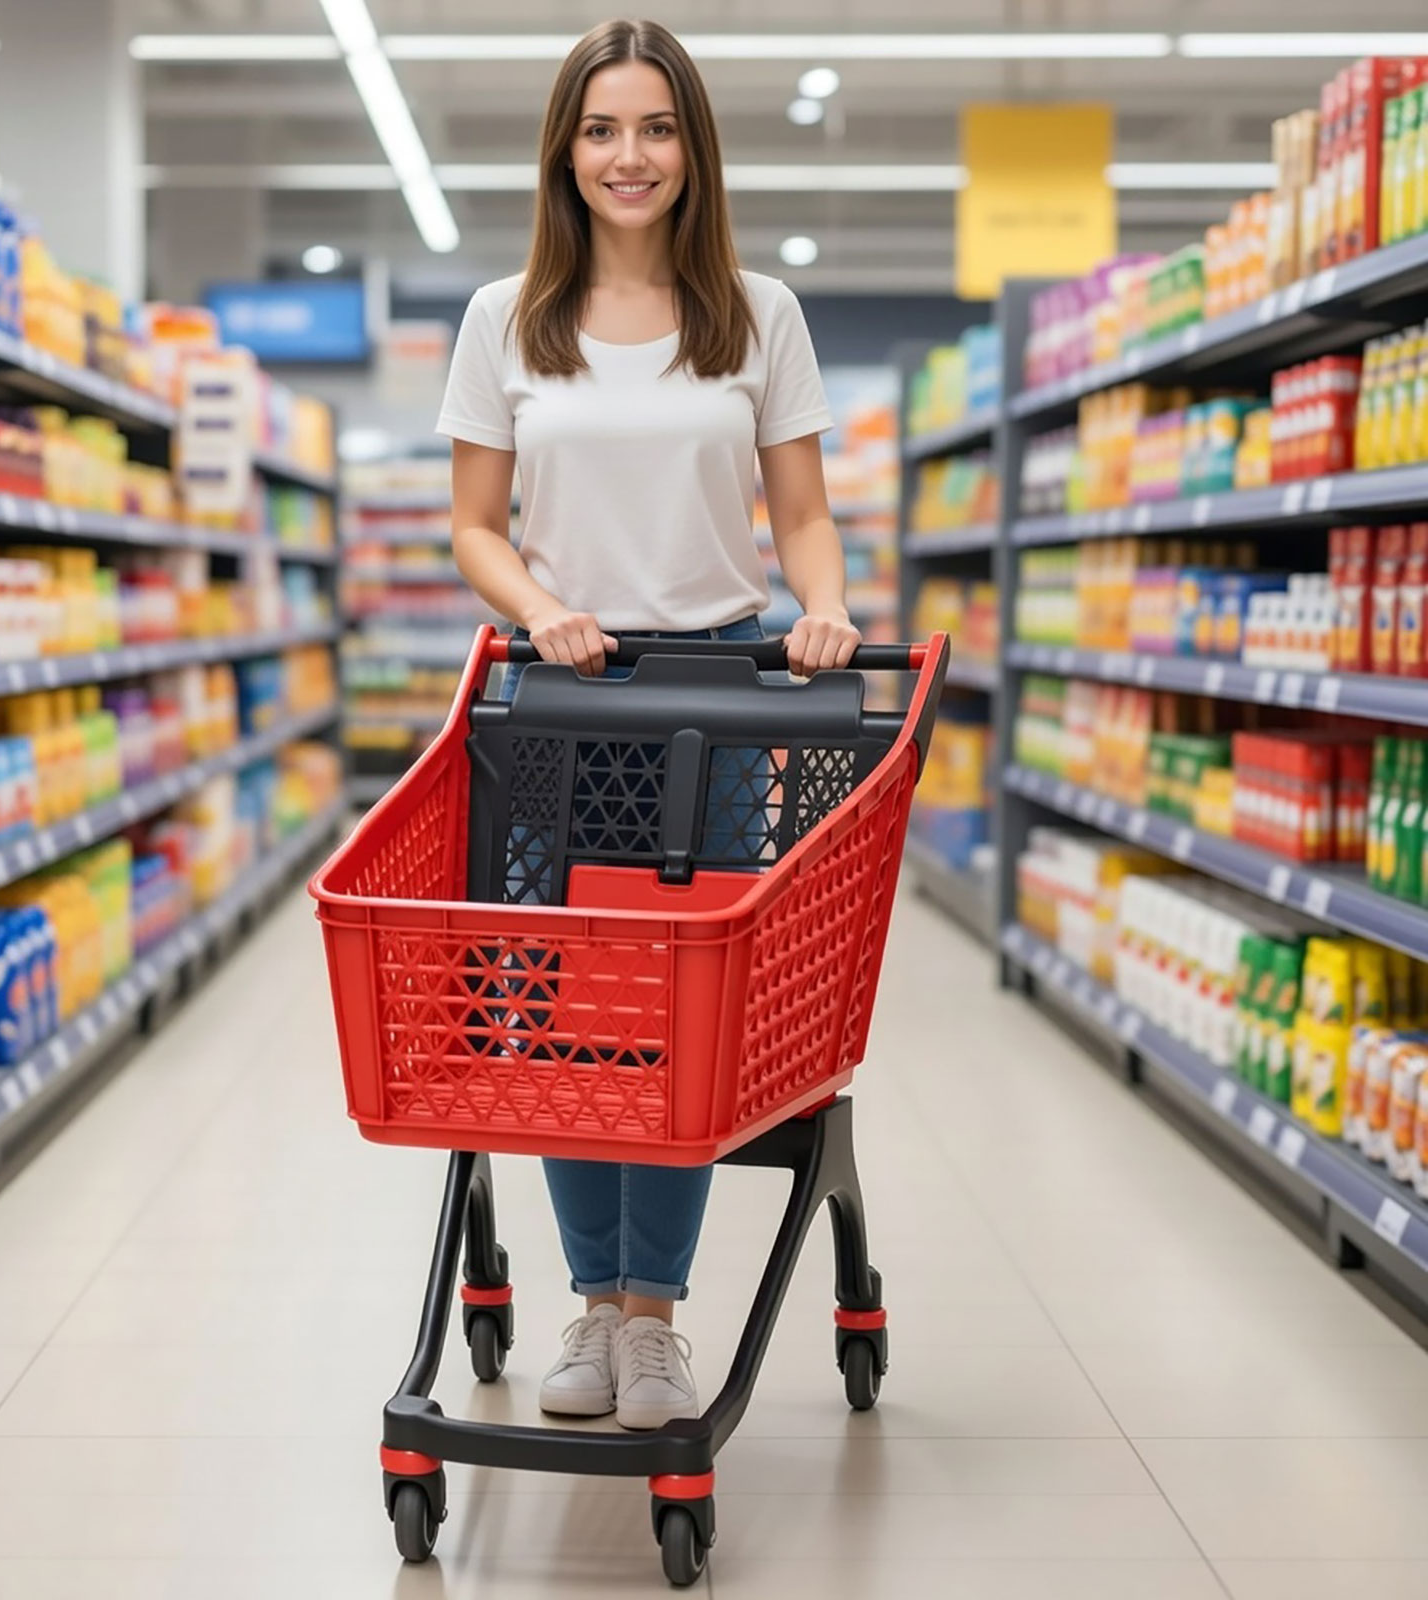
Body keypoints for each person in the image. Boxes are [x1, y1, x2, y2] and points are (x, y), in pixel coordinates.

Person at [436, 17, 859, 1432]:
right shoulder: (507, 315)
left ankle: (654, 1323)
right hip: (562, 694)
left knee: (679, 1010)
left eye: (658, 129)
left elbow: (800, 515)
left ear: (695, 149)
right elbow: (474, 529)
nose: (631, 156)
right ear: (567, 147)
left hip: (720, 695)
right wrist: (539, 607)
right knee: (565, 1004)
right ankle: (590, 1301)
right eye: (604, 129)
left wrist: (823, 610)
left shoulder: (757, 310)